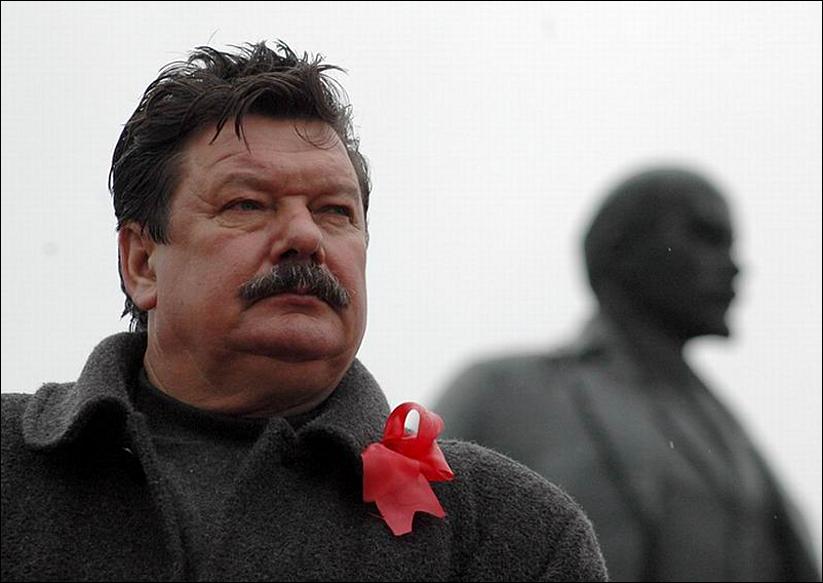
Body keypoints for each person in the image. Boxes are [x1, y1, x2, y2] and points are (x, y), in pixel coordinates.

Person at [0, 41, 607, 582]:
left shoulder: (510, 533)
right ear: (142, 263)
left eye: (335, 211)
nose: (305, 236)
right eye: (247, 204)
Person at [435, 168, 821, 582]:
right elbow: (410, 535)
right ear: (622, 248)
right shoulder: (506, 392)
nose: (733, 266)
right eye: (706, 236)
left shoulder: (734, 438)